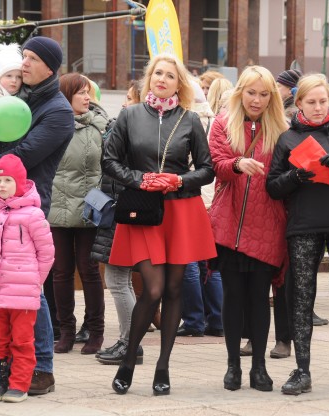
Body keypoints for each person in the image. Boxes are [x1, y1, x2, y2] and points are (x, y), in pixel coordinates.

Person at [0, 36, 74, 396]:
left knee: (27, 290)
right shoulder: (17, 97)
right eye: (23, 56)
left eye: (32, 58)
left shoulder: (58, 111)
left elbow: (24, 155)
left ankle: (42, 368)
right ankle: (4, 365)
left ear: (50, 67)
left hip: (25, 210)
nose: (23, 64)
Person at [102, 53, 216, 395]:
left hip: (180, 210)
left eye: (170, 75)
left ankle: (163, 365)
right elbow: (109, 160)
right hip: (143, 211)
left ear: (179, 84)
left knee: (175, 289)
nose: (162, 79)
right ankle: (128, 359)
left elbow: (207, 169)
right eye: (157, 73)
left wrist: (179, 181)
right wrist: (141, 179)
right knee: (153, 289)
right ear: (149, 78)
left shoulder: (190, 119)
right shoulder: (130, 115)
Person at [266, 74, 329, 398]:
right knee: (301, 298)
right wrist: (295, 176)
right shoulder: (287, 138)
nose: (318, 107)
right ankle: (302, 371)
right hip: (304, 225)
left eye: (323, 101)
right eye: (311, 102)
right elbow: (272, 186)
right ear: (299, 103)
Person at [209, 65, 288, 392]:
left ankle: (259, 367)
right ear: (240, 92)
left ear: (272, 97)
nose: (257, 100)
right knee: (232, 297)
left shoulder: (282, 129)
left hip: (267, 225)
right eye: (251, 92)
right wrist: (237, 164)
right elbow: (216, 165)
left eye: (264, 94)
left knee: (259, 297)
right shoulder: (223, 123)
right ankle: (233, 365)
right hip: (230, 225)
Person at [0, 154, 54, 403]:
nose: (1, 185)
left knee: (22, 340)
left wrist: (35, 281)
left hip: (23, 292)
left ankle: (19, 384)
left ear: (20, 182)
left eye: (8, 180)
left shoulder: (34, 215)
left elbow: (46, 253)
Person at [48, 73, 106, 355]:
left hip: (90, 207)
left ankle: (95, 331)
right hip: (58, 205)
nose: (87, 97)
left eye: (88, 92)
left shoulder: (100, 125)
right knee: (61, 271)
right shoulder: (53, 125)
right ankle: (66, 331)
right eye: (81, 92)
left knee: (89, 270)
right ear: (66, 95)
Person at [92, 80, 146, 365]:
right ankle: (130, 341)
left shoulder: (133, 131)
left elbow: (115, 168)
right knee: (120, 280)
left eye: (130, 98)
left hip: (122, 211)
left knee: (117, 279)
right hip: (119, 210)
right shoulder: (128, 128)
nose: (124, 103)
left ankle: (130, 343)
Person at [177, 81, 223, 338]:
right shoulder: (217, 122)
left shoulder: (184, 123)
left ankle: (194, 321)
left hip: (191, 196)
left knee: (188, 262)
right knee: (211, 263)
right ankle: (217, 319)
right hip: (214, 198)